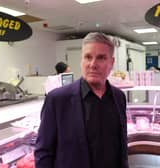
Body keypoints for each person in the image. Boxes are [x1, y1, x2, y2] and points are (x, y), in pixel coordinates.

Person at [34, 32, 129, 168]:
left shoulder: (119, 97)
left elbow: (121, 145)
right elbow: (44, 152)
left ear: (111, 62)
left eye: (101, 58)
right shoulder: (57, 100)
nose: (93, 64)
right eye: (88, 57)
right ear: (81, 60)